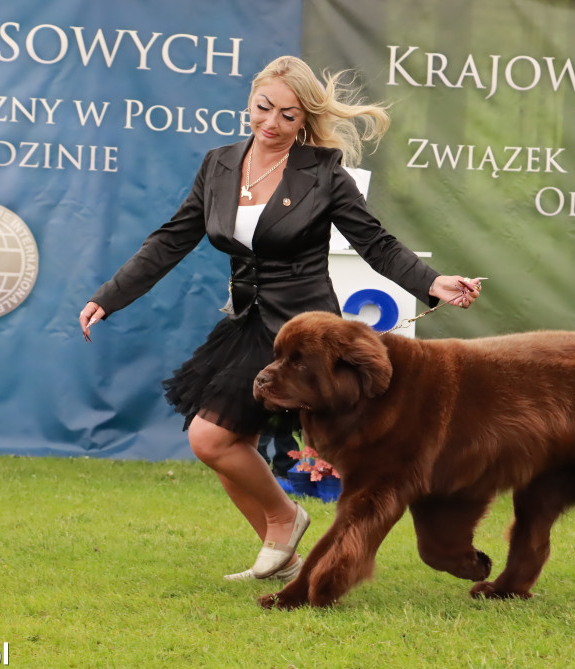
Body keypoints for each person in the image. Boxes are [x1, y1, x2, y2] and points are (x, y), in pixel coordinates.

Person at [78, 55, 482, 583]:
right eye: (264, 108)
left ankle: (288, 519)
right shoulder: (219, 164)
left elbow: (374, 243)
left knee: (212, 439)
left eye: (287, 116)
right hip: (246, 325)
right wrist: (110, 296)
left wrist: (431, 282)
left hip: (303, 335)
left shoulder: (323, 173)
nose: (271, 123)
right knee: (226, 445)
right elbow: (172, 239)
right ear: (250, 101)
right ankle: (283, 546)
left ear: (304, 120)